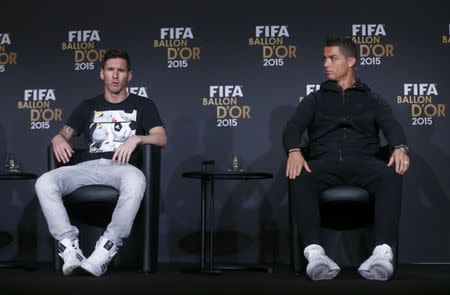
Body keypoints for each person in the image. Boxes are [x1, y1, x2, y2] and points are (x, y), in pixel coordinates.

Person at [283, 36, 409, 281]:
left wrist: (400, 147)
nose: (326, 64)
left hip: (364, 162)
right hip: (324, 162)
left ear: (351, 61)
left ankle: (382, 254)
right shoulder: (315, 99)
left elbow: (392, 126)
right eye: (324, 58)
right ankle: (316, 254)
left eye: (333, 58)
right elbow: (292, 128)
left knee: (391, 172)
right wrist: (295, 151)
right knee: (299, 173)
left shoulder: (372, 98)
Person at [35, 49, 167, 277]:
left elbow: (161, 138)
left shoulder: (143, 105)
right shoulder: (87, 106)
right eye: (110, 70)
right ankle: (69, 246)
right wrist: (57, 137)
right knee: (45, 182)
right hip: (87, 168)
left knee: (136, 181)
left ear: (129, 76)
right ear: (102, 74)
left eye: (121, 71)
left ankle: (106, 248)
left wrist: (137, 137)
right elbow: (65, 134)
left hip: (122, 169)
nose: (115, 76)